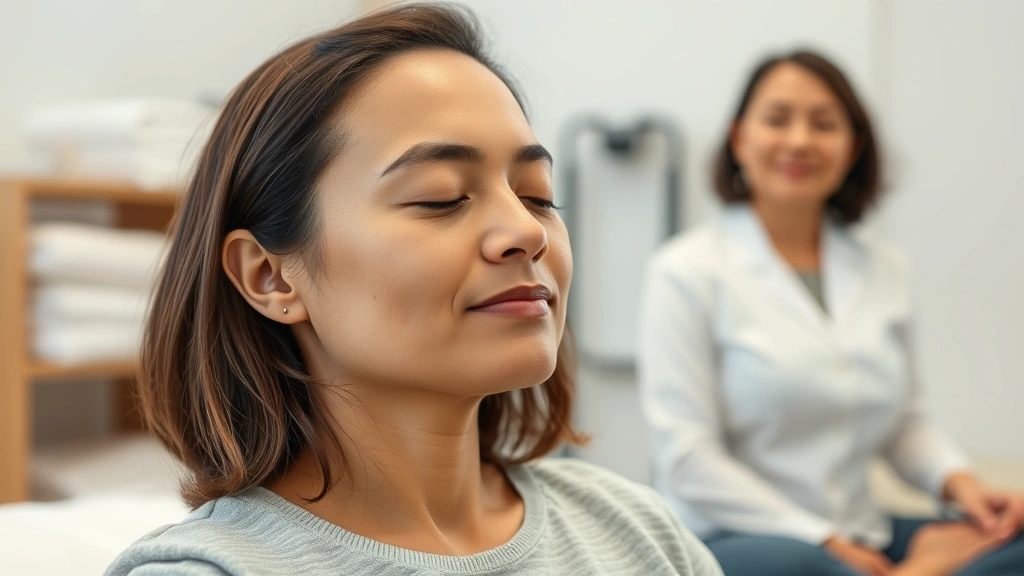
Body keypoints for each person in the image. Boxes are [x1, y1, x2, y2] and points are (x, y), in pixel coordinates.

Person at [106, 4, 722, 576]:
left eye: (537, 194)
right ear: (269, 275)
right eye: (440, 198)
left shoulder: (642, 535)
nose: (526, 231)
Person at [637, 49, 1024, 576]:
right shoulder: (685, 269)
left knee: (1015, 536)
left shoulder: (885, 268)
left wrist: (967, 490)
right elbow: (688, 459)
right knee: (813, 569)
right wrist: (825, 541)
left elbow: (905, 425)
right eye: (777, 119)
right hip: (737, 536)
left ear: (853, 147)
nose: (799, 140)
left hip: (861, 526)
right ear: (739, 139)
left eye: (823, 124)